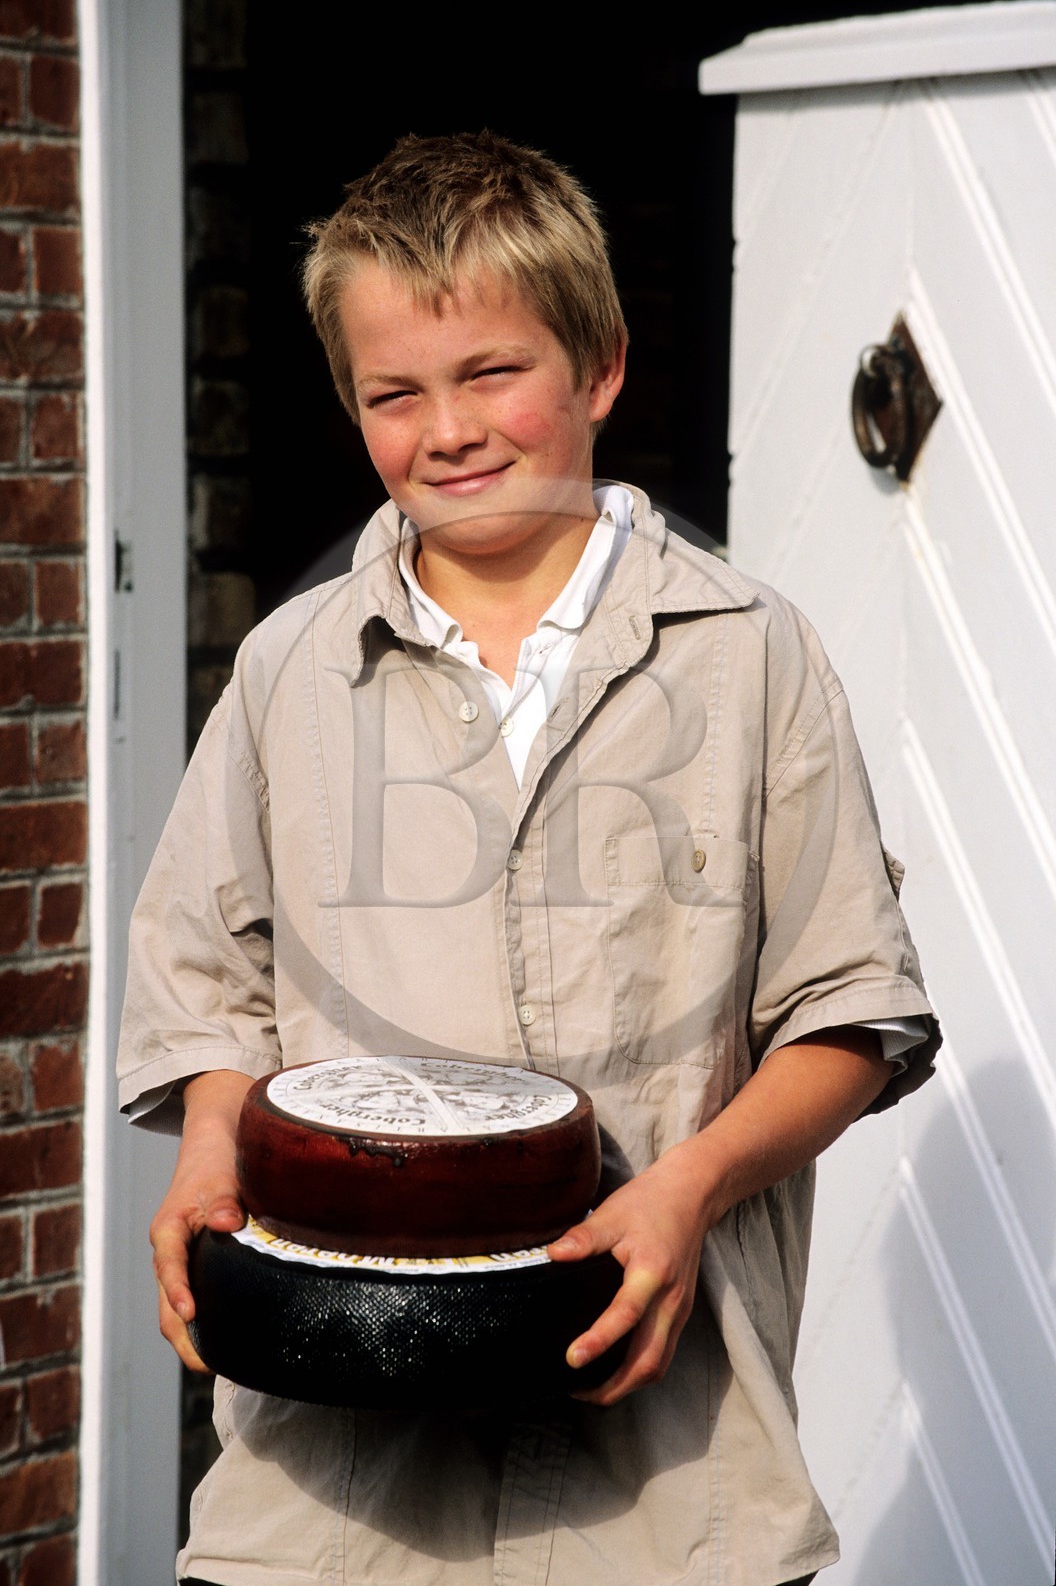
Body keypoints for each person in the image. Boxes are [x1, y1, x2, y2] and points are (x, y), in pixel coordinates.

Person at [118, 131, 940, 1586]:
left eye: (493, 372)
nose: (448, 430)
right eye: (395, 393)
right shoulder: (287, 667)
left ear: (602, 367)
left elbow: (850, 1012)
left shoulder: (754, 659)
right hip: (328, 1504)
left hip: (670, 1495)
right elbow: (206, 982)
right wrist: (206, 1143)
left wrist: (686, 1190)